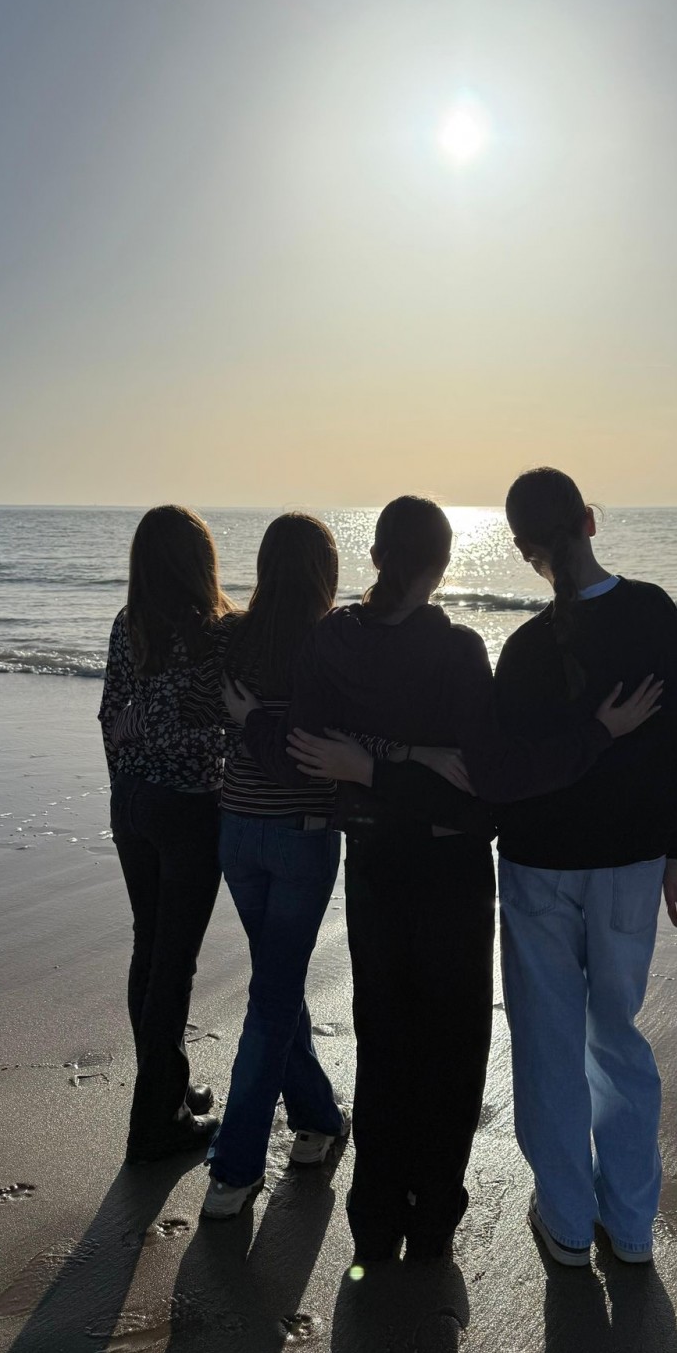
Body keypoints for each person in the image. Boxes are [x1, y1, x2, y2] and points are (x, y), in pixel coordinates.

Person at [230, 496, 660, 1263]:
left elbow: (307, 756)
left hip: (375, 868)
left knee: (384, 1041)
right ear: (444, 565)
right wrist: (599, 732)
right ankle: (431, 1223)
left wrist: (285, 734)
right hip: (449, 872)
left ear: (375, 558)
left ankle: (376, 1223)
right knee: (453, 1050)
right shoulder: (457, 651)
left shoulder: (331, 641)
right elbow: (486, 789)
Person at [494, 467, 677, 1267]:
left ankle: (564, 1219)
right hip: (630, 862)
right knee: (616, 1038)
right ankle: (629, 1226)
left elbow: (505, 770)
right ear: (589, 520)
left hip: (539, 866)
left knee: (548, 1046)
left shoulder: (525, 648)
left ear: (524, 547)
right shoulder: (651, 611)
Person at [198, 513, 385, 1220]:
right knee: (274, 995)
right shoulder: (332, 641)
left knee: (276, 983)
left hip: (237, 830)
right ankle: (235, 1167)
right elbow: (332, 745)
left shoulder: (230, 636)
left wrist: (247, 721)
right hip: (301, 837)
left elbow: (205, 712)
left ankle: (318, 1119)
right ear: (323, 571)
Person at [98, 504, 231, 1163]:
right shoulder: (213, 633)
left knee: (149, 949)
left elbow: (110, 717)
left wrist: (126, 780)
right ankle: (156, 1122)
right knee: (173, 962)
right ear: (199, 560)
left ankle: (167, 1087)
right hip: (189, 808)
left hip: (133, 801)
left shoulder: (131, 624)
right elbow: (220, 722)